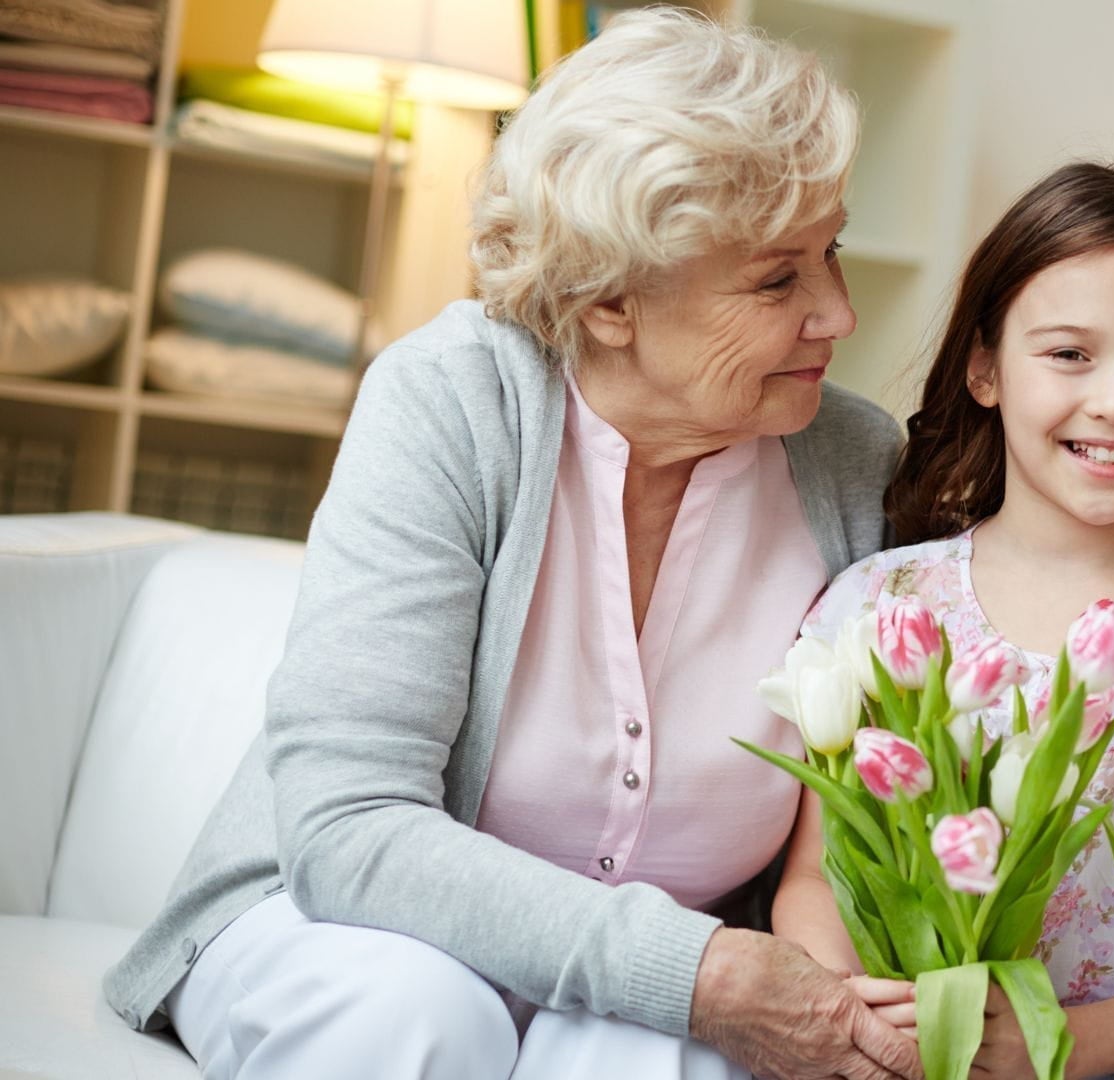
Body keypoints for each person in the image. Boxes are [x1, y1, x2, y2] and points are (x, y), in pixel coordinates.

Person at [102, 10, 924, 1079]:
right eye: (778, 280)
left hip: (668, 987)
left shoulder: (855, 461)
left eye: (833, 254)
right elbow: (349, 828)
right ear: (611, 298)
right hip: (354, 935)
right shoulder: (452, 399)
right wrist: (697, 972)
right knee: (413, 1018)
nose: (838, 316)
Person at [772, 162, 1114, 1078]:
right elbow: (815, 881)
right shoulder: (884, 606)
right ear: (985, 369)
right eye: (1068, 354)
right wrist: (871, 1032)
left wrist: (1056, 1049)